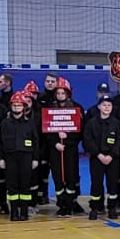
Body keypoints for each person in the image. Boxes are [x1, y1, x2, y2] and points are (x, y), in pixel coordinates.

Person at [46, 80, 83, 217]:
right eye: (58, 93)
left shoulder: (77, 108)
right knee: (58, 176)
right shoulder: (50, 109)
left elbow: (80, 131)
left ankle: (71, 203)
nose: (60, 95)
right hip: (55, 149)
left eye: (63, 93)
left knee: (71, 175)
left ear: (68, 94)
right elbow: (46, 130)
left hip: (70, 149)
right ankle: (61, 204)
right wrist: (55, 143)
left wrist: (67, 139)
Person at [0, 91, 39, 220]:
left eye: (19, 105)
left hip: (26, 157)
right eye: (14, 105)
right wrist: (0, 158)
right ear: (11, 106)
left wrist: (35, 159)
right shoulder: (5, 123)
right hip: (10, 157)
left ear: (24, 107)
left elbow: (35, 142)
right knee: (12, 185)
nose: (16, 108)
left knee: (25, 185)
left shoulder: (30, 123)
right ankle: (14, 212)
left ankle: (24, 212)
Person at [83, 93, 120, 220]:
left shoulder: (116, 123)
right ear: (99, 106)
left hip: (112, 159)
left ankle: (112, 208)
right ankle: (95, 208)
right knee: (96, 184)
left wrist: (111, 155)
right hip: (97, 159)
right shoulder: (91, 123)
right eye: (104, 105)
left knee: (112, 184)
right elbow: (88, 140)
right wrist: (98, 154)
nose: (106, 107)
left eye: (109, 105)